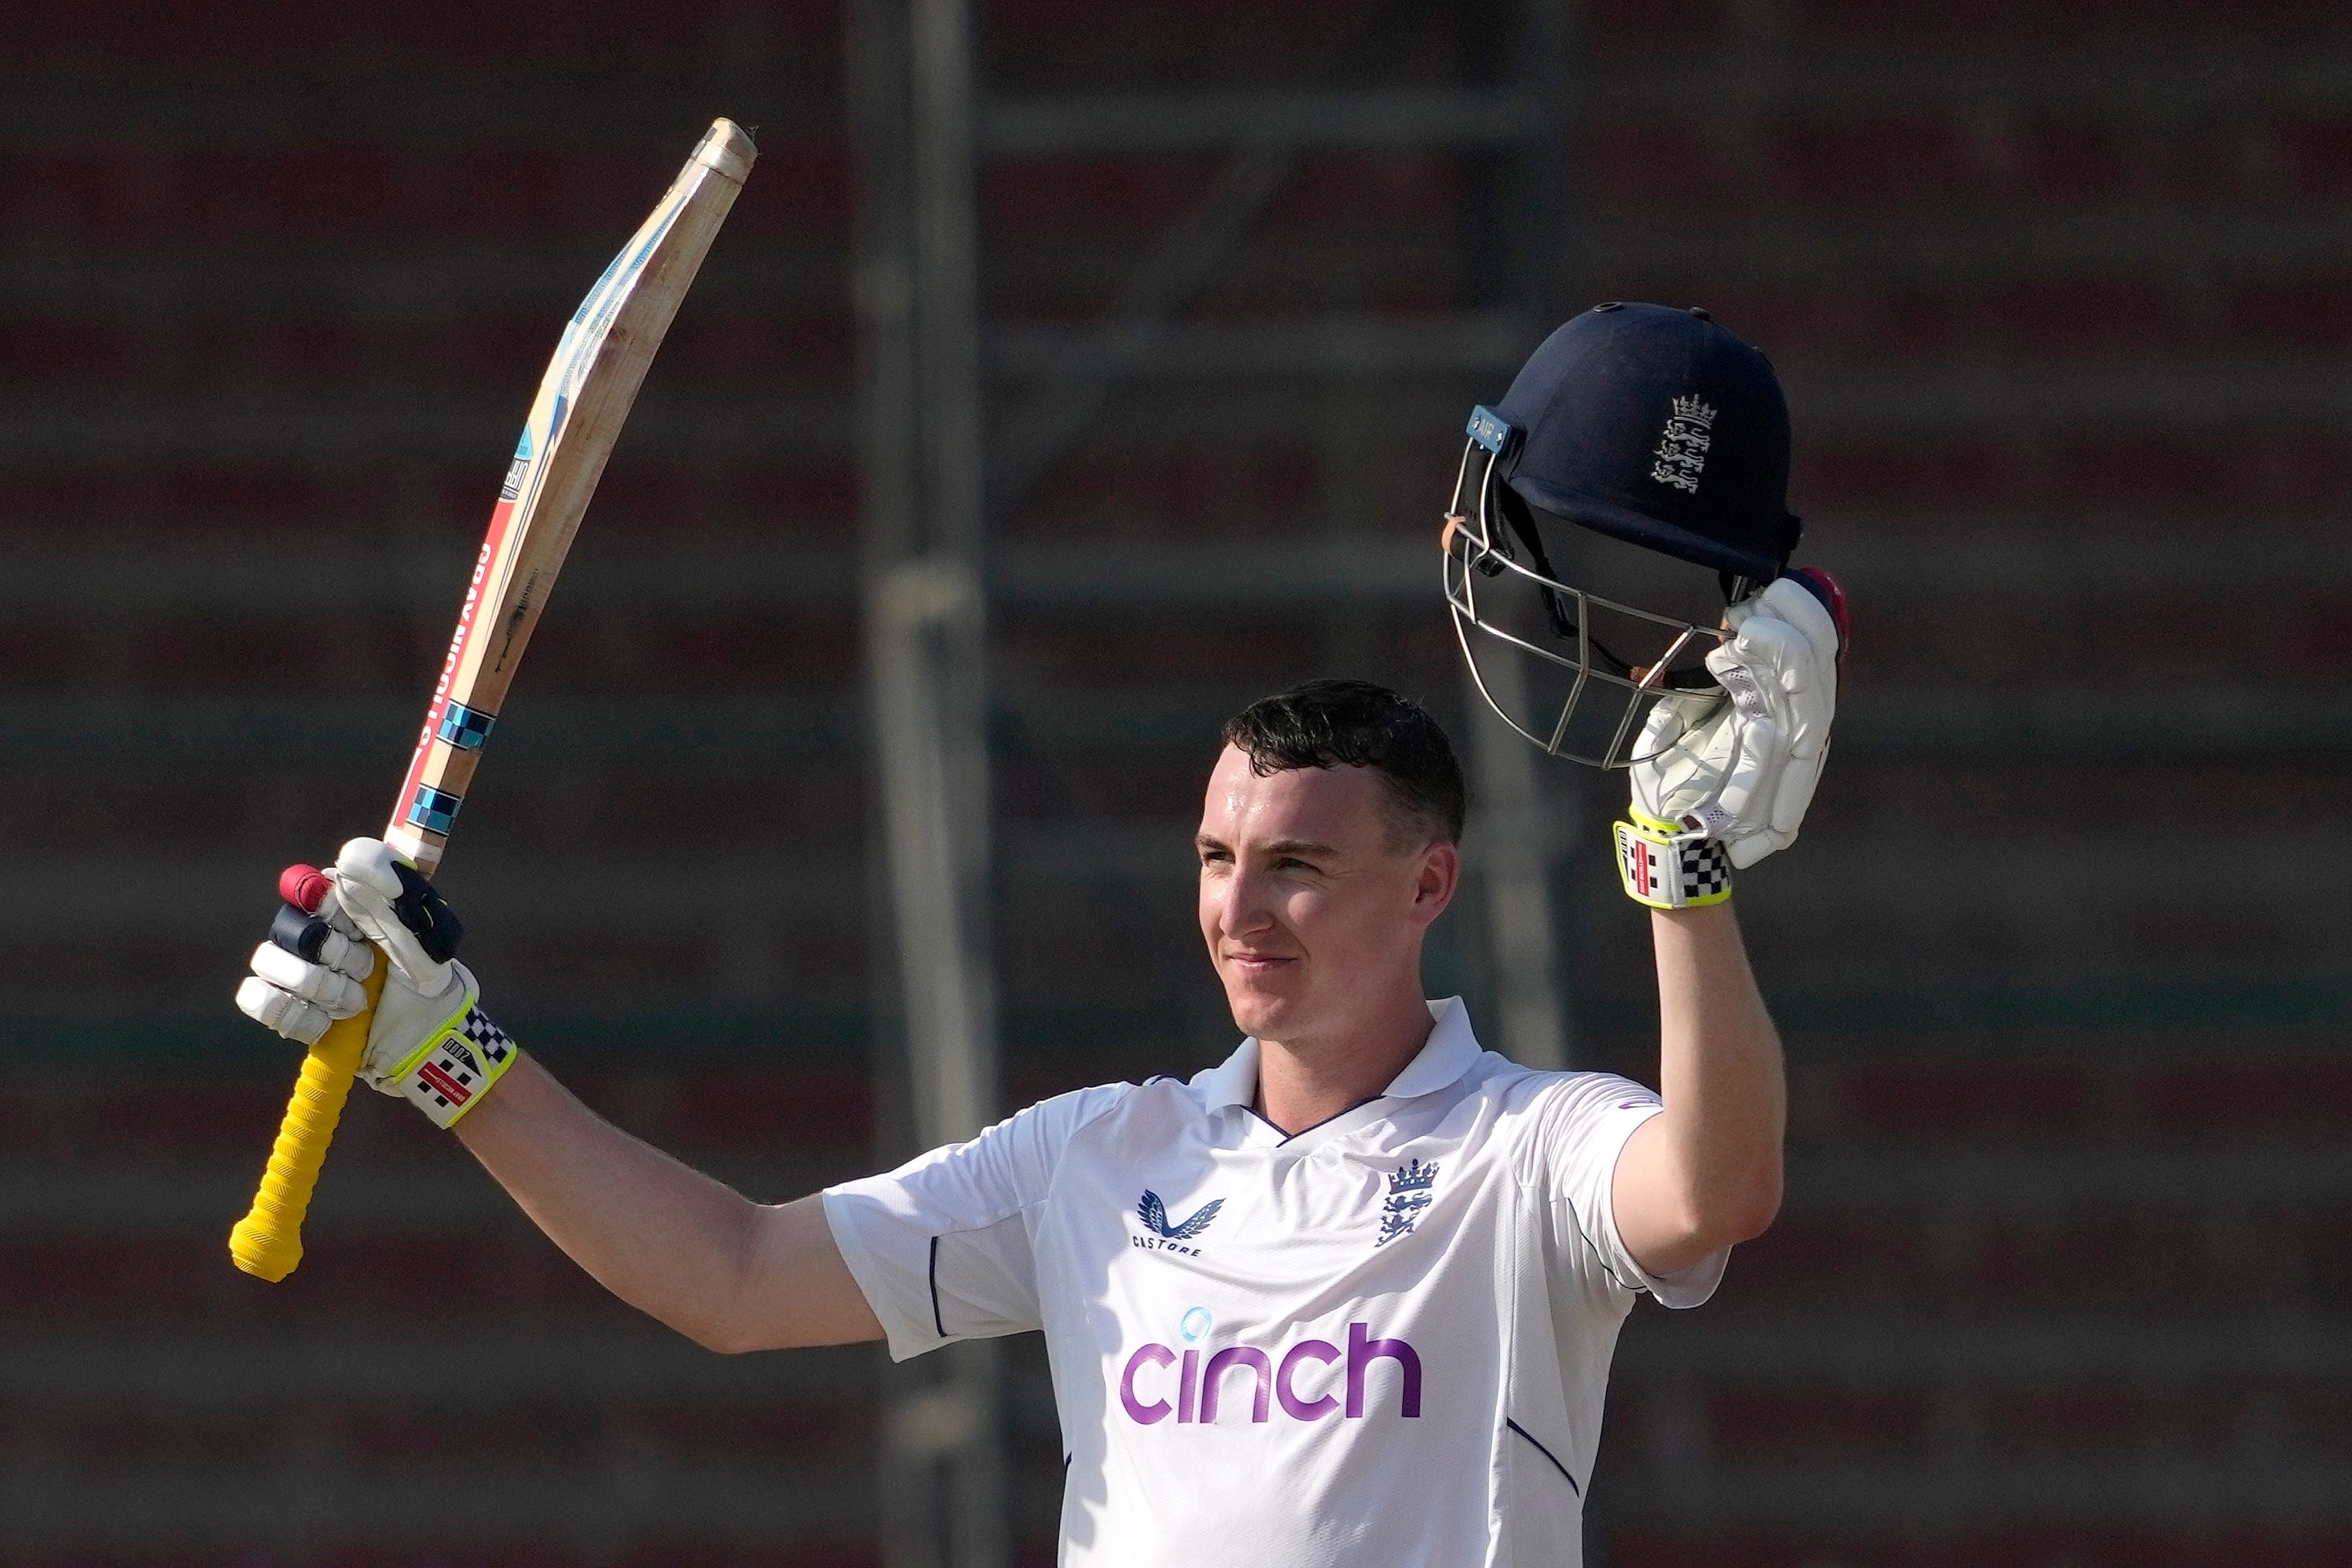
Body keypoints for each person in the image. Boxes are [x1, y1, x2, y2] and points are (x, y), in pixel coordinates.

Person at [236, 303, 1843, 1566]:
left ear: (1427, 885)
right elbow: (730, 1274)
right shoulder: (1100, 1156)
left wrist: (1677, 873)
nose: (1236, 905)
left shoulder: (1525, 1150)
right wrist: (450, 1055)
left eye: (1295, 865)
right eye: (1217, 855)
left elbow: (1717, 1185)